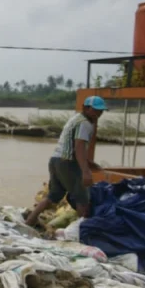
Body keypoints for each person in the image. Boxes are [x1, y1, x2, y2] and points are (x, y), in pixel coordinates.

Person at [24, 96, 106, 227]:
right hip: (68, 163)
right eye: (95, 110)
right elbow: (79, 146)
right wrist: (85, 171)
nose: (99, 113)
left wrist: (89, 163)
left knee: (53, 195)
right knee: (82, 197)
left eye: (101, 111)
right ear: (86, 108)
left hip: (55, 160)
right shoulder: (85, 123)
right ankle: (82, 230)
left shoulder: (75, 119)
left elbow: (73, 146)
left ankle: (29, 221)